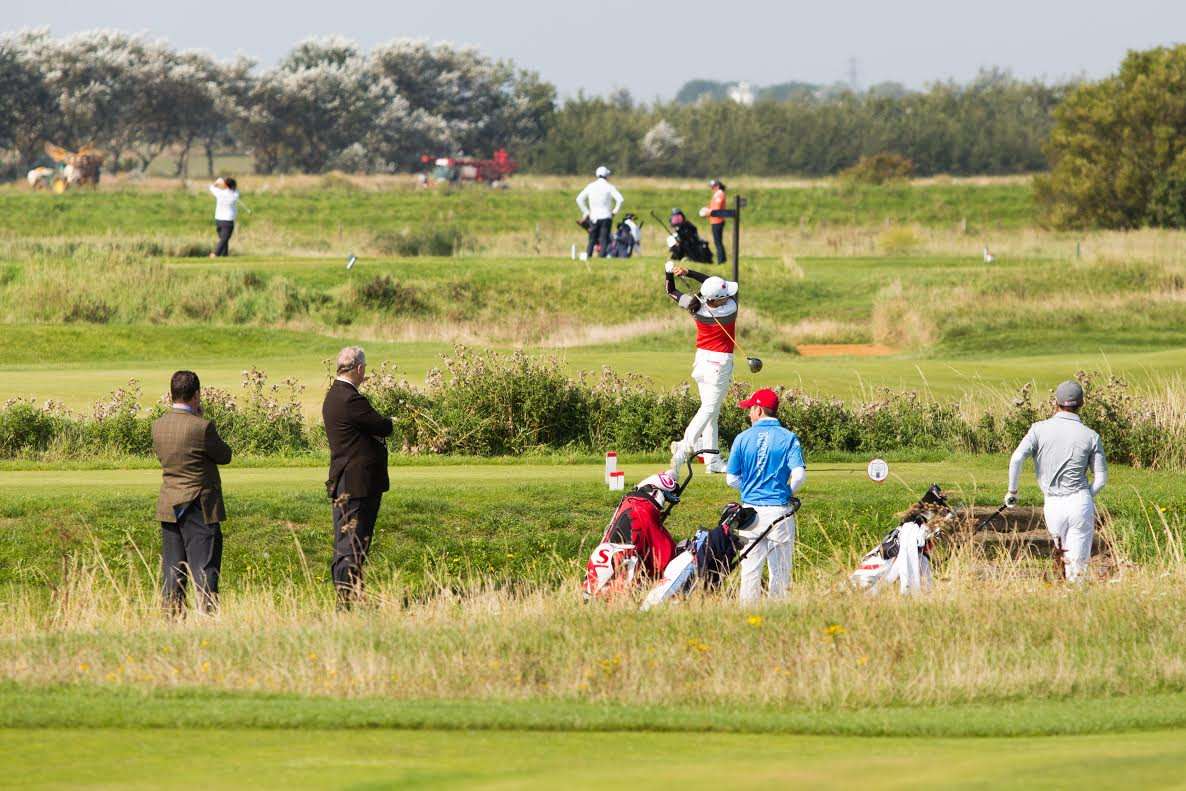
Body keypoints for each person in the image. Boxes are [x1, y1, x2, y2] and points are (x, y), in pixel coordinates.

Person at [1006, 380, 1108, 582]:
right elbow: (1101, 479)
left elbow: (1017, 458)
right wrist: (1086, 494)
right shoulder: (1091, 436)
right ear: (1081, 403)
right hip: (1080, 501)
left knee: (1062, 556)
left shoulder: (1038, 429)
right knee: (1077, 566)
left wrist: (1012, 492)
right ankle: (1076, 601)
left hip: (1052, 504)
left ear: (1056, 402)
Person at [152, 370, 233, 615]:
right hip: (199, 504)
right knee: (205, 568)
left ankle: (172, 616)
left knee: (173, 570)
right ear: (196, 395)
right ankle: (207, 616)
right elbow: (224, 455)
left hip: (169, 504)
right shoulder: (202, 427)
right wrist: (202, 419)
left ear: (171, 394)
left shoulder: (158, 426)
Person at [322, 346, 394, 606]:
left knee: (348, 542)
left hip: (345, 480)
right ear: (359, 368)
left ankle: (351, 596)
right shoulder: (351, 399)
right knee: (353, 544)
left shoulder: (333, 395)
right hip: (357, 484)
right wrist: (390, 421)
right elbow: (382, 426)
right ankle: (347, 599)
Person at [726, 388, 807, 602]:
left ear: (759, 410)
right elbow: (799, 475)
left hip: (750, 514)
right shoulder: (789, 438)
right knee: (780, 573)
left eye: (751, 409)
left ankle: (747, 616)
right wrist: (787, 491)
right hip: (780, 512)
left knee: (750, 572)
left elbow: (731, 479)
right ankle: (777, 616)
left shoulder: (742, 438)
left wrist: (749, 488)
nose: (749, 414)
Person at [664, 262, 739, 474]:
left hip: (702, 362)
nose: (728, 295)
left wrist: (669, 272)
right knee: (708, 410)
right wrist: (690, 273)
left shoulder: (694, 306)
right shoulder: (731, 307)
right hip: (719, 365)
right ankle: (683, 450)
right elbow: (708, 281)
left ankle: (712, 460)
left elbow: (670, 291)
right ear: (717, 299)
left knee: (712, 413)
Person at [575, 165, 624, 258]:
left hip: (593, 217)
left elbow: (579, 199)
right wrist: (614, 212)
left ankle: (588, 256)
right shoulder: (609, 186)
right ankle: (602, 257)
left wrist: (586, 212)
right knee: (604, 239)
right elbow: (620, 200)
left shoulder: (591, 186)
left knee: (592, 239)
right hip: (606, 217)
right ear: (606, 176)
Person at [699, 179, 728, 264]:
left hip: (718, 220)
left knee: (718, 241)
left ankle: (721, 260)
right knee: (717, 241)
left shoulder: (719, 194)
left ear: (717, 186)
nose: (712, 188)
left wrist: (707, 212)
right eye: (711, 187)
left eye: (713, 186)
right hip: (715, 220)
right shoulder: (717, 194)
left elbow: (717, 209)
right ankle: (722, 259)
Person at [208, 177, 239, 258]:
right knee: (224, 239)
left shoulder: (219, 193)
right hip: (228, 221)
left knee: (224, 239)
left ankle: (225, 255)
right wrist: (225, 185)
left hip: (218, 220)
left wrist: (217, 183)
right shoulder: (235, 194)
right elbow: (235, 190)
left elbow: (211, 187)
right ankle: (215, 254)